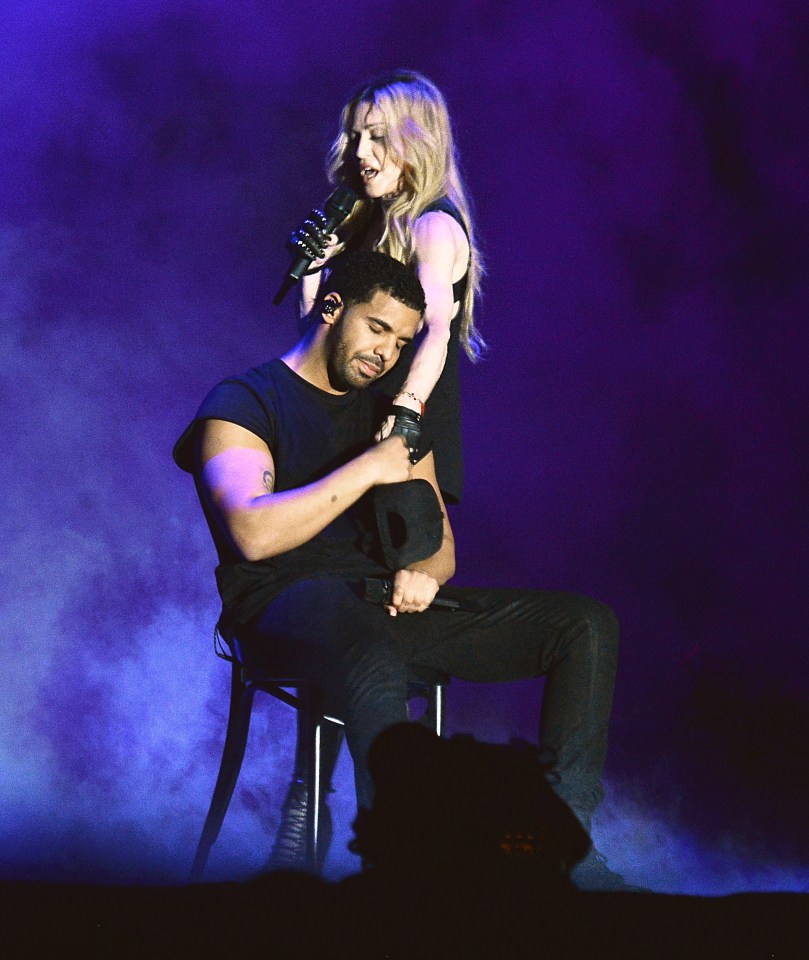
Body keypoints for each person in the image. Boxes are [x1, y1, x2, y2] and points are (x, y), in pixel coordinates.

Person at [174, 251, 629, 891]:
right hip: (282, 605)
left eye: (403, 342)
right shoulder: (242, 402)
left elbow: (440, 545)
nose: (387, 354)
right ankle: (408, 867)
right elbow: (251, 533)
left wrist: (426, 573)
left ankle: (567, 853)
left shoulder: (391, 416)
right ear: (332, 309)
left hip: (379, 604)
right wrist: (370, 466)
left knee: (584, 625)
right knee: (364, 641)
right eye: (377, 328)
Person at [292, 69, 482, 506]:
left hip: (402, 442)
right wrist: (311, 275)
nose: (360, 151)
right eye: (355, 136)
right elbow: (317, 337)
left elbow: (434, 330)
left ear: (417, 141)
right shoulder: (364, 225)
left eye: (377, 136)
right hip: (354, 431)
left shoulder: (433, 226)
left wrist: (405, 414)